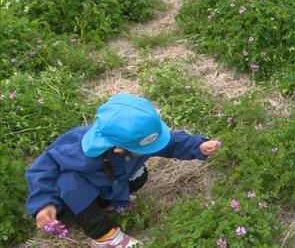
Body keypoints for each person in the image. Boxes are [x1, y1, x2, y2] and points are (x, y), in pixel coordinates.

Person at [26, 93, 221, 247]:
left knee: (140, 174)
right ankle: (104, 236)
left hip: (108, 183)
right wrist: (45, 203)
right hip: (75, 193)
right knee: (68, 181)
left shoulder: (134, 137)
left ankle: (111, 202)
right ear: (119, 149)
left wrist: (198, 146)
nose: (151, 150)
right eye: (145, 149)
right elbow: (41, 170)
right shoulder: (76, 150)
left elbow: (170, 143)